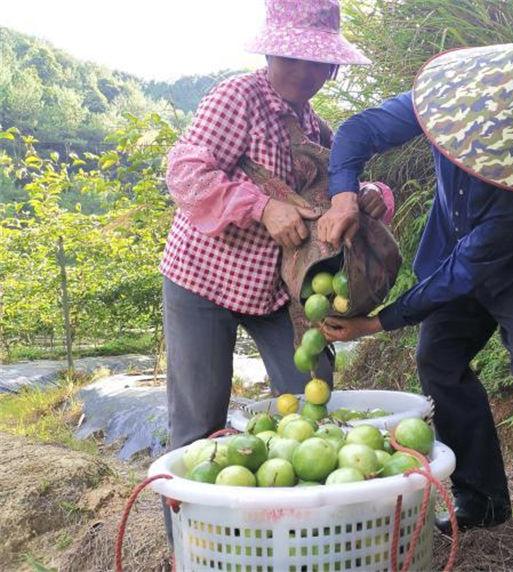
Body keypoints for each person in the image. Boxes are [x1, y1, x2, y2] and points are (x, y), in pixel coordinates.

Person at [319, 39, 513, 569]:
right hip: (456, 250)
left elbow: (464, 273)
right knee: (439, 361)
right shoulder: (449, 105)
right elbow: (357, 132)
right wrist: (343, 194)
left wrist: (376, 322)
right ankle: (483, 498)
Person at [159, 0, 390, 543]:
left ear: (333, 67)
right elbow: (185, 171)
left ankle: (300, 533)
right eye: (293, 58)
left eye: (319, 64)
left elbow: (340, 189)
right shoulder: (236, 99)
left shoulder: (316, 127)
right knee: (198, 420)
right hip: (204, 279)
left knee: (311, 393)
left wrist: (371, 198)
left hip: (276, 292)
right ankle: (193, 546)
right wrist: (260, 206)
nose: (306, 74)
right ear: (269, 51)